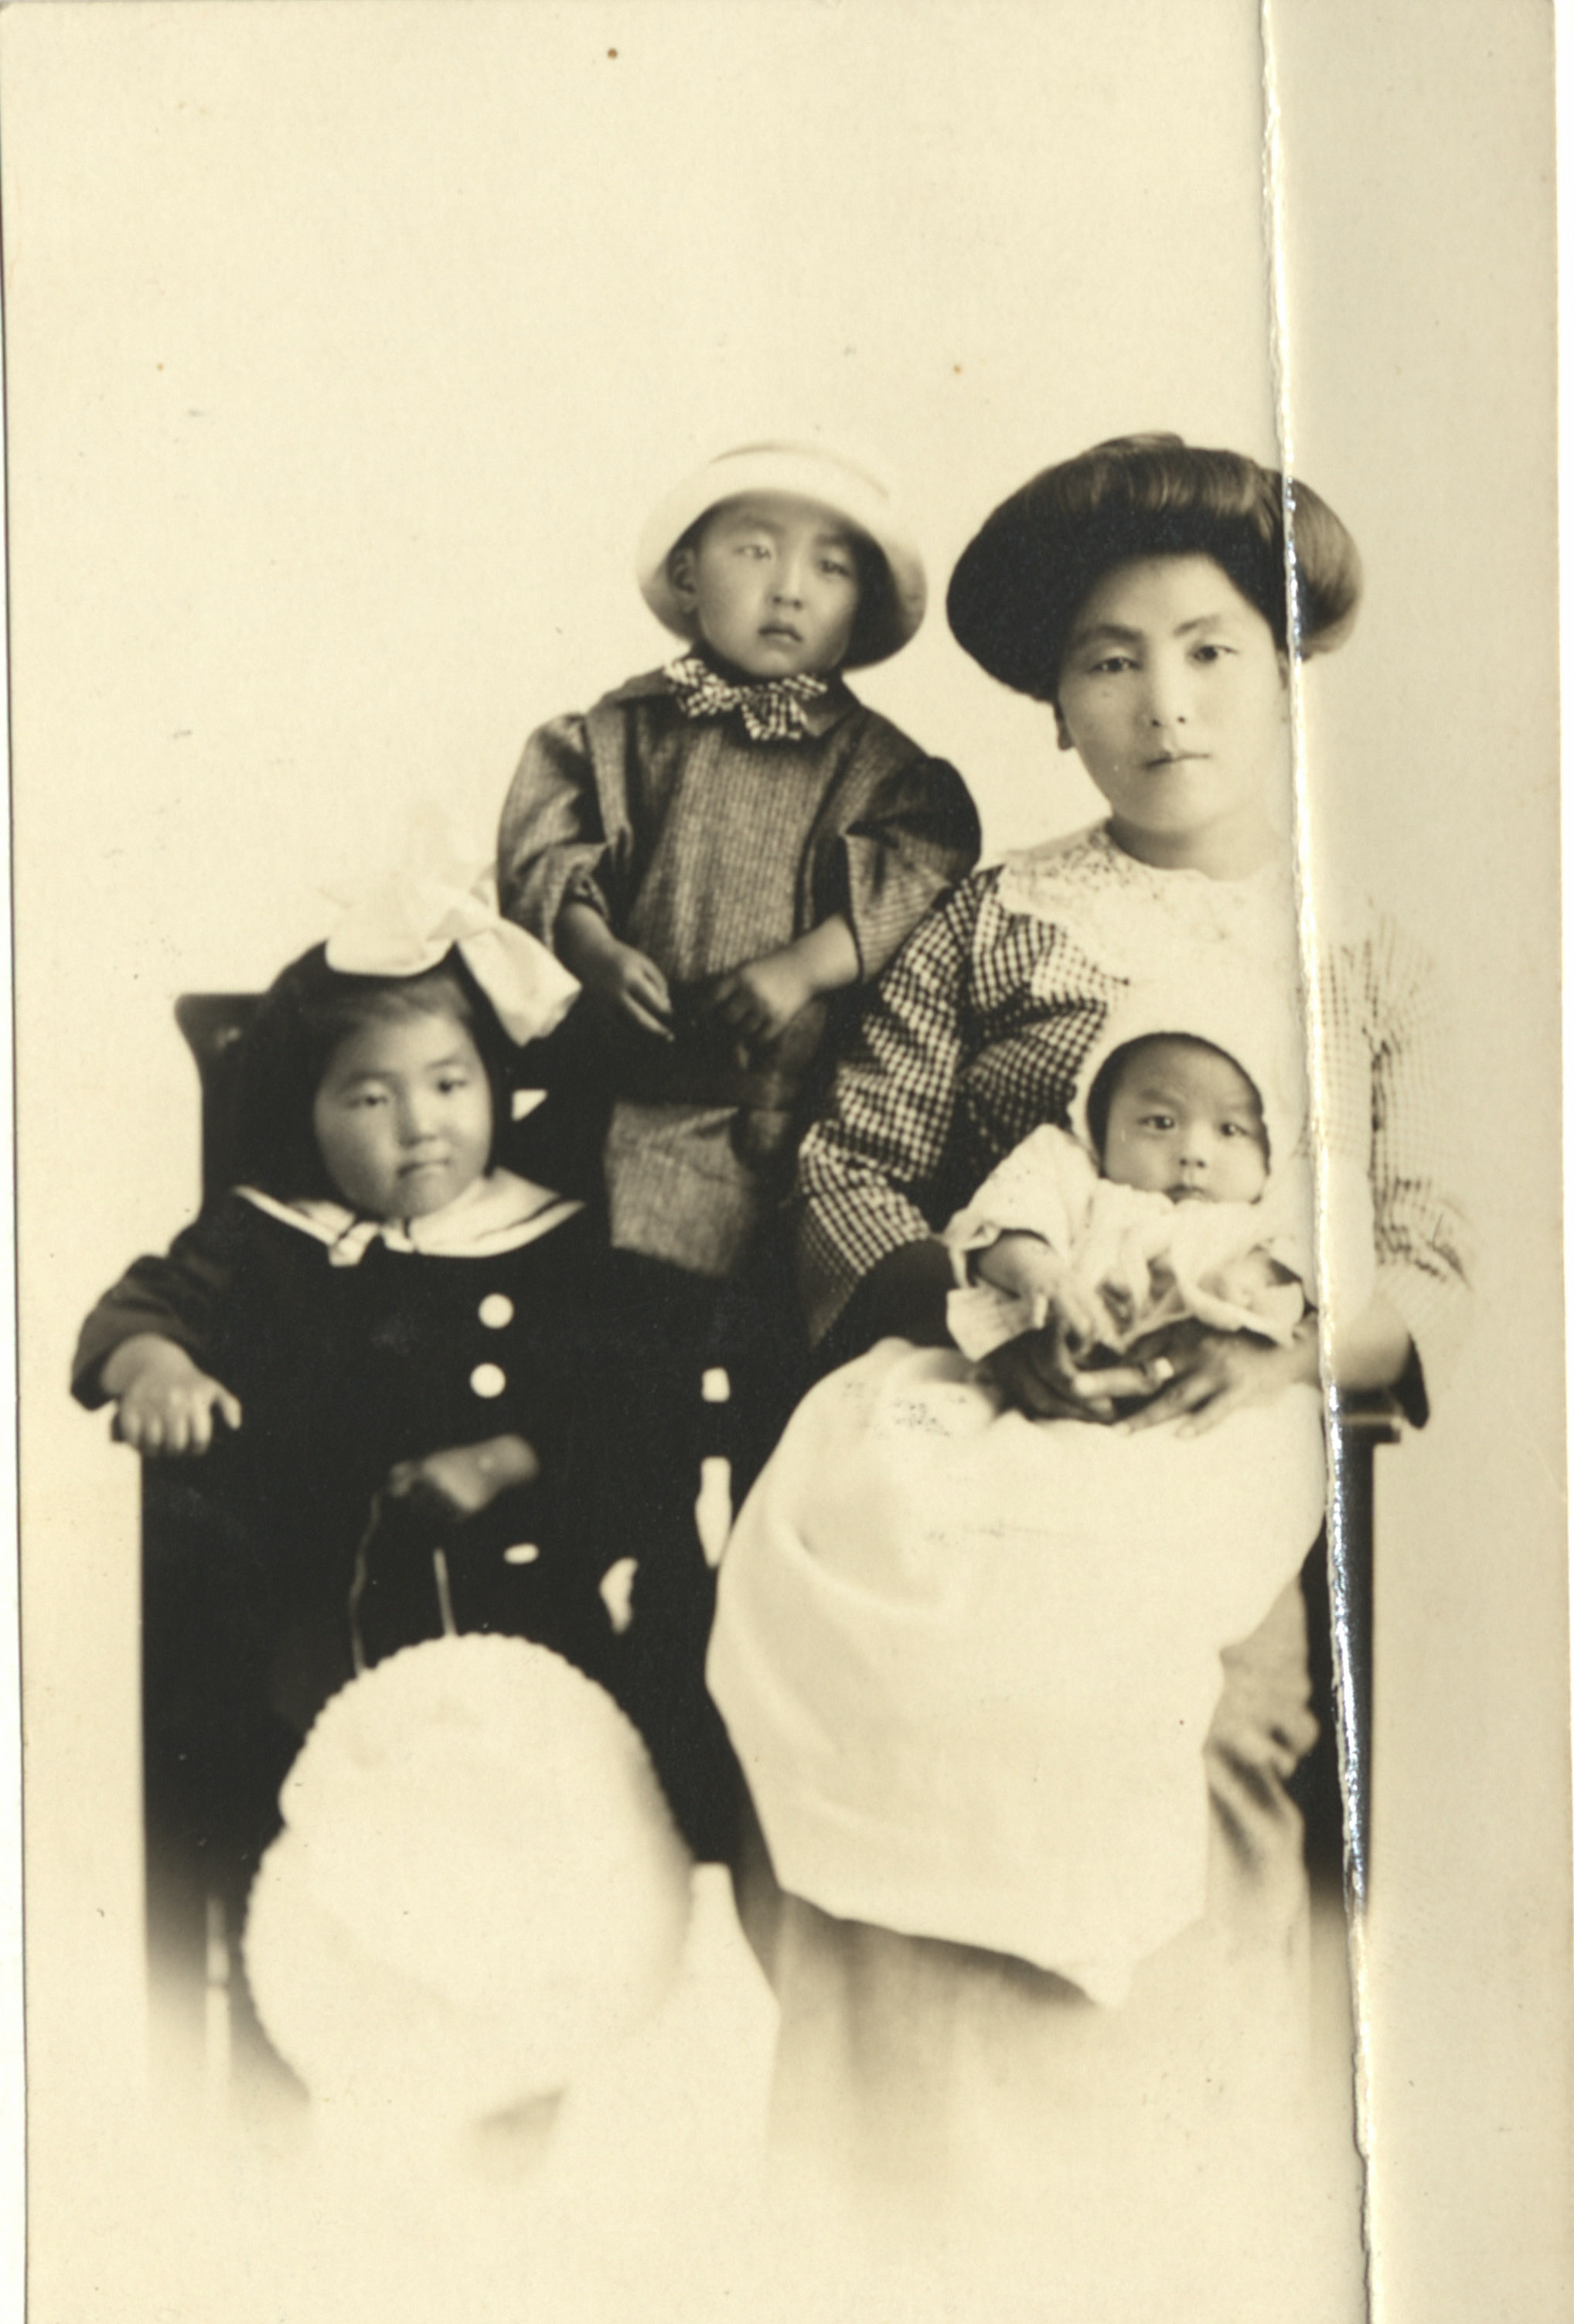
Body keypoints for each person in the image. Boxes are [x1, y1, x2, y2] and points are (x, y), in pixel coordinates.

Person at [755, 434, 1470, 2191]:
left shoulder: (1374, 938)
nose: (1166, 703)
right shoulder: (994, 920)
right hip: (989, 1387)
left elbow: (1443, 1246)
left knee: (1163, 1705)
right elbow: (853, 1165)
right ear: (1055, 707)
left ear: (1283, 670)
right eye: (1110, 660)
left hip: (1239, 1419)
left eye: (1212, 649)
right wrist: (987, 1314)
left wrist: (1275, 1353)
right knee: (899, 1656)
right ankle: (887, 2192)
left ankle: (1173, 2202)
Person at [496, 441, 980, 1856]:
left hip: (794, 1144)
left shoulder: (879, 767)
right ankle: (640, 1646)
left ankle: (766, 1710)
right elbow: (545, 850)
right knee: (624, 1418)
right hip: (635, 1127)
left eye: (831, 567)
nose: (789, 588)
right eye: (756, 549)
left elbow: (926, 867)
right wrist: (596, 948)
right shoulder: (620, 731)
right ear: (689, 571)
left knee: (784, 1440)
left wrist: (807, 965)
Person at [710, 975, 1351, 2013]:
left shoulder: (1266, 1213)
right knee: (899, 1515)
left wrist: (1254, 1309)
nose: (1193, 1153)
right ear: (1101, 1120)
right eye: (1158, 1121)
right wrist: (1039, 1287)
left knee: (1129, 1624)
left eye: (1231, 1130)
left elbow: (1330, 1266)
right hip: (1025, 1389)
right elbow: (997, 1228)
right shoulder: (1069, 1170)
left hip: (1191, 1426)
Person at [71, 873, 624, 1897]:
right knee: (295, 1803)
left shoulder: (552, 1240)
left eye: (450, 1085)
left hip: (513, 1613)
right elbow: (146, 1304)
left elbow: (609, 1401)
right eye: (372, 1098)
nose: (420, 1124)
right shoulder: (267, 1237)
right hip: (310, 1627)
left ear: (494, 1084)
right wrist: (157, 1367)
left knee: (525, 1826)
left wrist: (502, 1459)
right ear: (308, 1110)